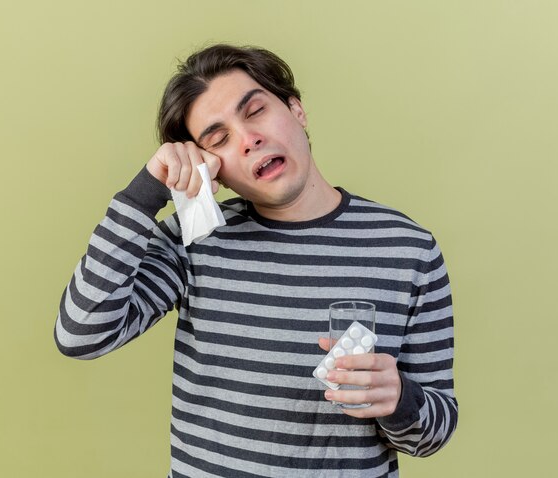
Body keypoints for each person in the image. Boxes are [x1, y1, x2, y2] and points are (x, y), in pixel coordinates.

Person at [54, 44, 457, 477]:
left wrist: (398, 399)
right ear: (213, 171)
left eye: (256, 111)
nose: (249, 140)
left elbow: (432, 434)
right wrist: (150, 189)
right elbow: (81, 334)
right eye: (218, 138)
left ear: (296, 109)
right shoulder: (194, 242)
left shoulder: (408, 248)